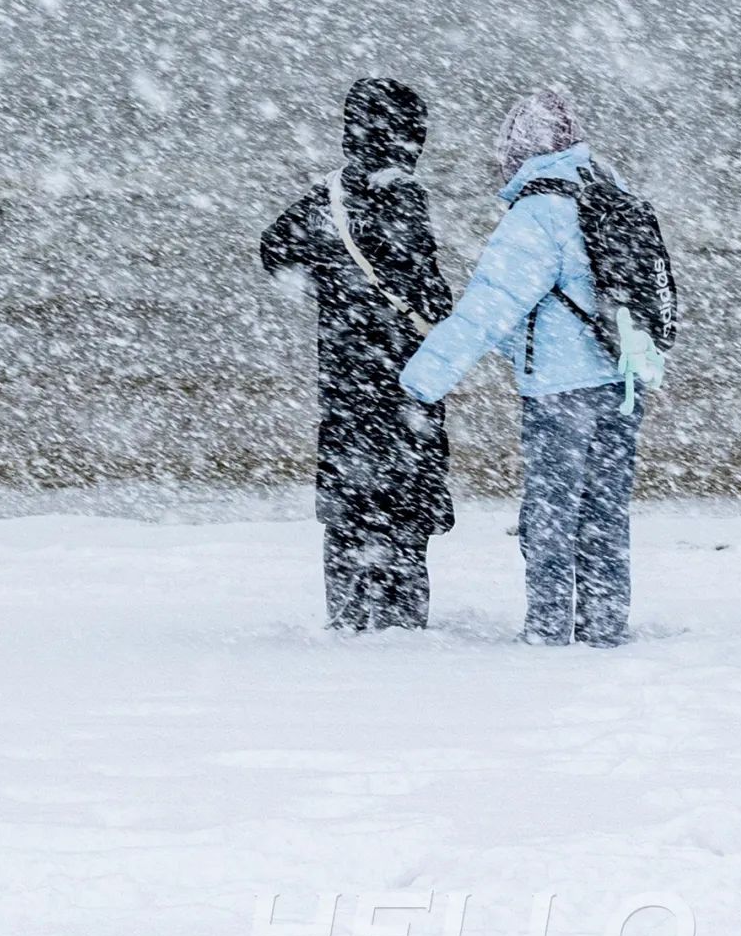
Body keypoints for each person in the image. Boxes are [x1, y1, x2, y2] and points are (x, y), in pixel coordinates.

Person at [400, 88, 644, 647]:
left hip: (562, 393)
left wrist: (420, 383)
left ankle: (550, 633)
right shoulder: (609, 192)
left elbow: (486, 309)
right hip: (622, 379)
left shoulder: (537, 214)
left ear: (515, 152)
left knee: (551, 519)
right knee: (605, 515)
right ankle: (604, 628)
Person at [260, 78, 453, 632]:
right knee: (405, 495)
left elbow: (274, 247)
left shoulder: (329, 195)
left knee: (350, 493)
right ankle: (400, 618)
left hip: (344, 375)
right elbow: (424, 287)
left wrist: (325, 290)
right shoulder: (404, 194)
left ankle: (349, 614)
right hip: (403, 375)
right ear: (410, 134)